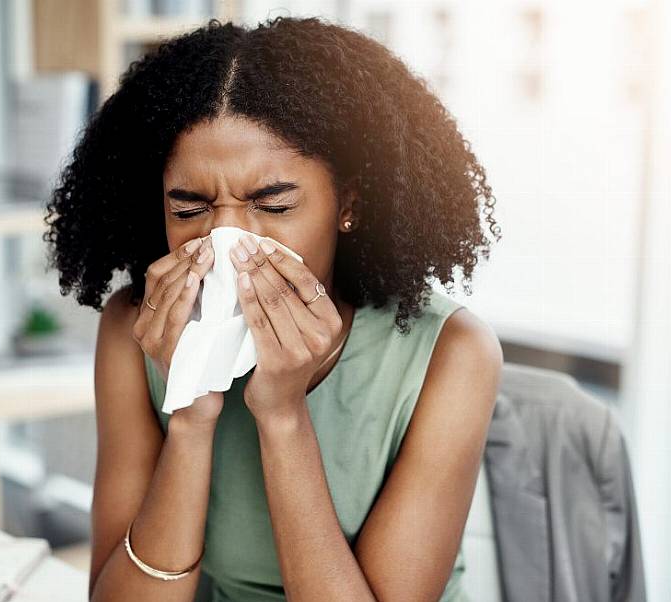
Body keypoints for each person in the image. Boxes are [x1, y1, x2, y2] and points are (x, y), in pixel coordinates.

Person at [44, 15, 504, 601]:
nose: (228, 245)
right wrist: (189, 415)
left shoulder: (454, 354)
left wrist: (282, 415)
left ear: (350, 203)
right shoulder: (134, 331)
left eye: (274, 204)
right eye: (189, 210)